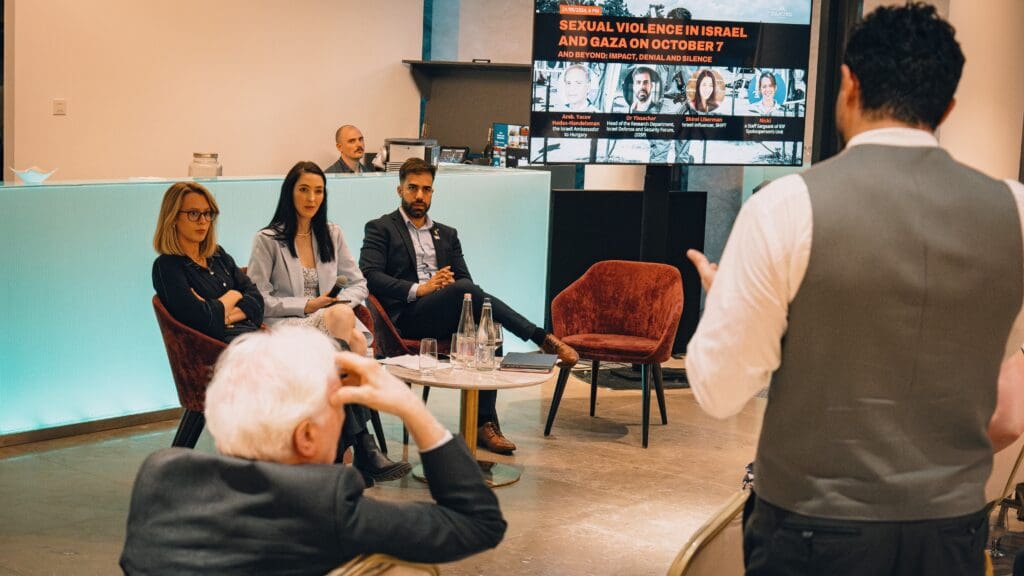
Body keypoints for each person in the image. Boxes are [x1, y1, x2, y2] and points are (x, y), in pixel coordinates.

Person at [685, 4, 1024, 575]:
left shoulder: (784, 208)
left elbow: (719, 393)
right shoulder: (1013, 211)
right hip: (949, 534)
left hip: (810, 533)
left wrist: (728, 301)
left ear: (848, 84)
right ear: (946, 107)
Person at [120, 326, 507, 574]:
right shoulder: (325, 505)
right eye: (338, 407)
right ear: (306, 437)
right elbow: (479, 523)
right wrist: (413, 409)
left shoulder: (160, 475)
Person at [359, 158, 579, 454]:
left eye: (426, 189)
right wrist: (421, 289)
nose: (420, 196)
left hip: (444, 311)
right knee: (467, 295)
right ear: (399, 189)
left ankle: (484, 423)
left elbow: (466, 282)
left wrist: (446, 289)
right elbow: (370, 276)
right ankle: (542, 338)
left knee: (487, 324)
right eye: (413, 188)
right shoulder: (381, 228)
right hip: (407, 318)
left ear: (433, 192)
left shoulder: (447, 234)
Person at [248, 160, 410, 483]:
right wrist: (309, 304)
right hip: (287, 327)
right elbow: (258, 299)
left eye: (318, 191)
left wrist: (337, 302)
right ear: (289, 193)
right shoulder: (267, 240)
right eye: (304, 190)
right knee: (354, 341)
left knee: (348, 331)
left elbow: (359, 283)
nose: (312, 198)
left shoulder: (331, 234)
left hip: (332, 322)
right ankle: (360, 446)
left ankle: (344, 450)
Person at [152, 181, 263, 342]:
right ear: (173, 217)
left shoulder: (218, 255)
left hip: (252, 338)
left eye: (207, 213)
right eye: (193, 213)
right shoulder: (167, 266)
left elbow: (257, 301)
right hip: (218, 351)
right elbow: (202, 320)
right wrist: (235, 294)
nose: (203, 220)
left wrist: (224, 317)